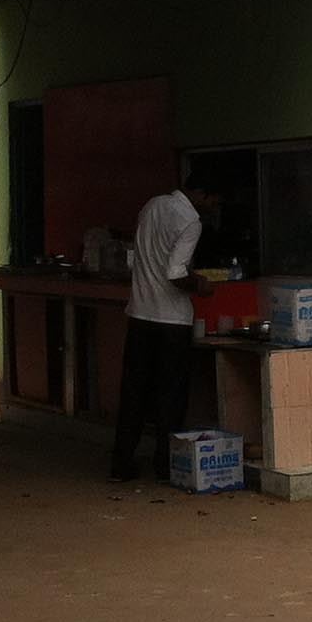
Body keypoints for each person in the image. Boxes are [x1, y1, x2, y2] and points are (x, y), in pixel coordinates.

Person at [109, 167, 222, 482]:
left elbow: (141, 255)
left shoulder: (153, 205)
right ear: (200, 195)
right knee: (170, 397)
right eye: (213, 200)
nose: (213, 207)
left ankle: (121, 463)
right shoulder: (191, 222)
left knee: (133, 393)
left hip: (140, 314)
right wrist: (199, 284)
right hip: (171, 321)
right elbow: (175, 273)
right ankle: (165, 465)